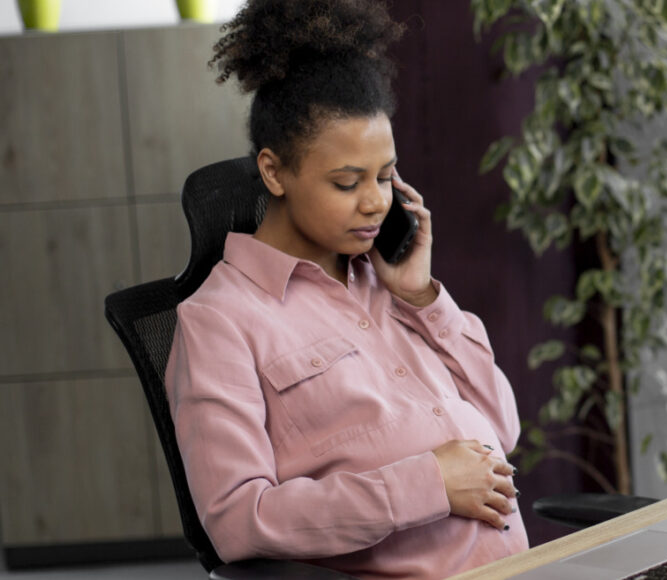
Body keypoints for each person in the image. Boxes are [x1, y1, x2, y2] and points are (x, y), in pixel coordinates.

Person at [164, 1, 528, 578]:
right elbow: (237, 520)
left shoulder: (389, 280)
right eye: (346, 182)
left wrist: (422, 299)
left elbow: (501, 429)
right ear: (274, 171)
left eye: (385, 176)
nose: (375, 202)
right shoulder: (219, 322)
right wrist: (426, 483)